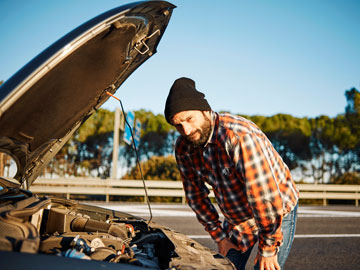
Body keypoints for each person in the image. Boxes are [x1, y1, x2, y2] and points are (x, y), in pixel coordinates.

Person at [164, 77, 299, 270]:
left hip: (275, 207)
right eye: (178, 125)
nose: (186, 130)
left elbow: (263, 197)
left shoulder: (238, 137)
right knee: (226, 267)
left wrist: (268, 248)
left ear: (205, 111)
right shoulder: (184, 148)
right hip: (238, 218)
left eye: (189, 119)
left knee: (265, 267)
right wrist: (219, 236)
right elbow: (195, 196)